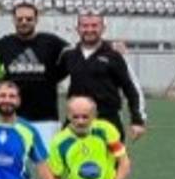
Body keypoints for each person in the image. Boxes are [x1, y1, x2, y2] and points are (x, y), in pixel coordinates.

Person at [59, 10, 147, 141]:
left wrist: (137, 120)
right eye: (85, 26)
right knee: (64, 153)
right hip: (75, 120)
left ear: (103, 28)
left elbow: (131, 88)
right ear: (77, 29)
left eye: (94, 25)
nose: (89, 30)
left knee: (113, 155)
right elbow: (51, 78)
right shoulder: (69, 55)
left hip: (108, 120)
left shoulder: (114, 55)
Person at [0, 2, 68, 147]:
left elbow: (72, 56)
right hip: (13, 118)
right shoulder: (4, 44)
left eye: (28, 19)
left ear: (36, 19)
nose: (24, 22)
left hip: (46, 118)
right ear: (13, 20)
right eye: (20, 19)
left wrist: (54, 77)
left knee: (46, 159)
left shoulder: (51, 42)